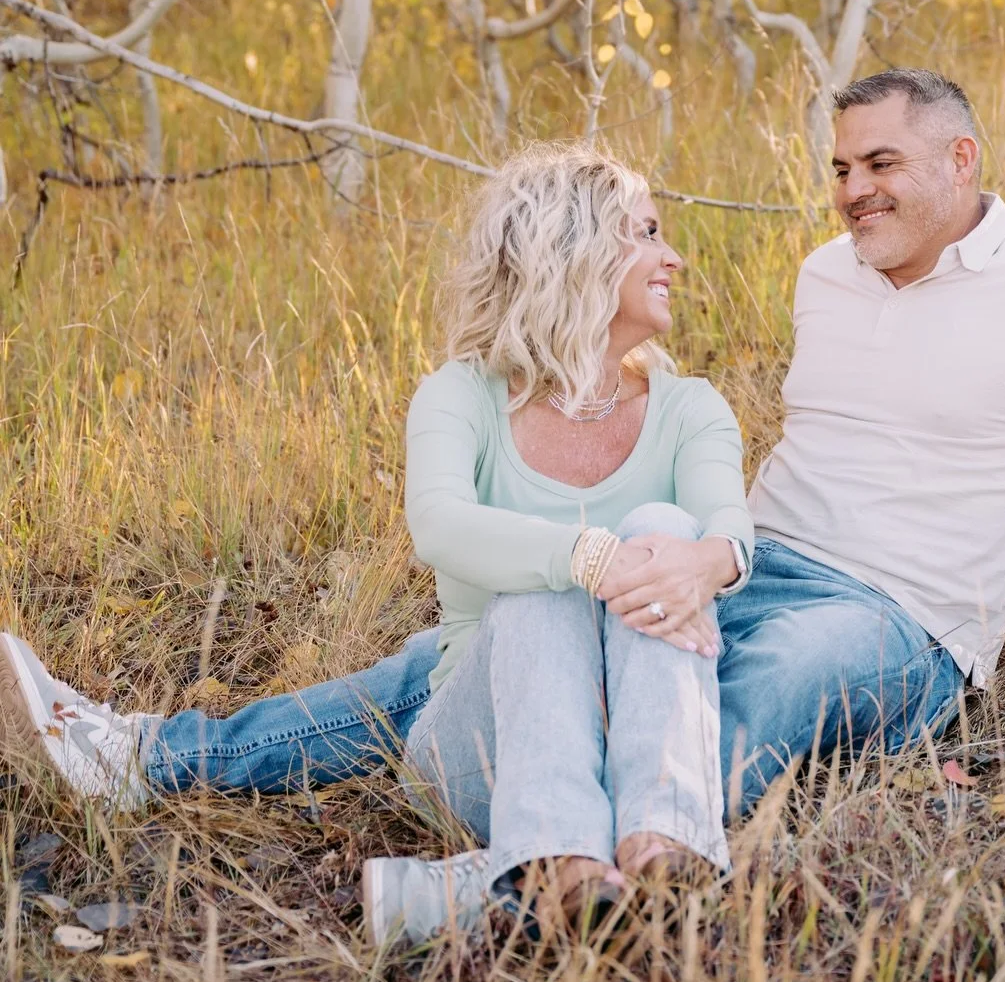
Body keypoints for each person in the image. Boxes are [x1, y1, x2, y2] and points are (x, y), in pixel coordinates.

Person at [0, 69, 1005, 946]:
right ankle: (147, 754)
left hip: (904, 614)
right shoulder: (832, 273)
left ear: (961, 160)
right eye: (838, 168)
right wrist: (686, 558)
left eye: (881, 165)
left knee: (749, 698)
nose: (853, 191)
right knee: (472, 648)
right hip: (752, 556)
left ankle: (507, 889)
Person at [0, 144, 754, 941]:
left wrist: (706, 563)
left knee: (669, 532)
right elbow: (440, 524)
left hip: (638, 734)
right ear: (572, 249)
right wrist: (590, 560)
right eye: (645, 232)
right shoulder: (460, 396)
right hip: (484, 748)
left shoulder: (691, 409)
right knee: (536, 597)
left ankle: (661, 850)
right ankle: (558, 861)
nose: (674, 256)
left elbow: (727, 531)